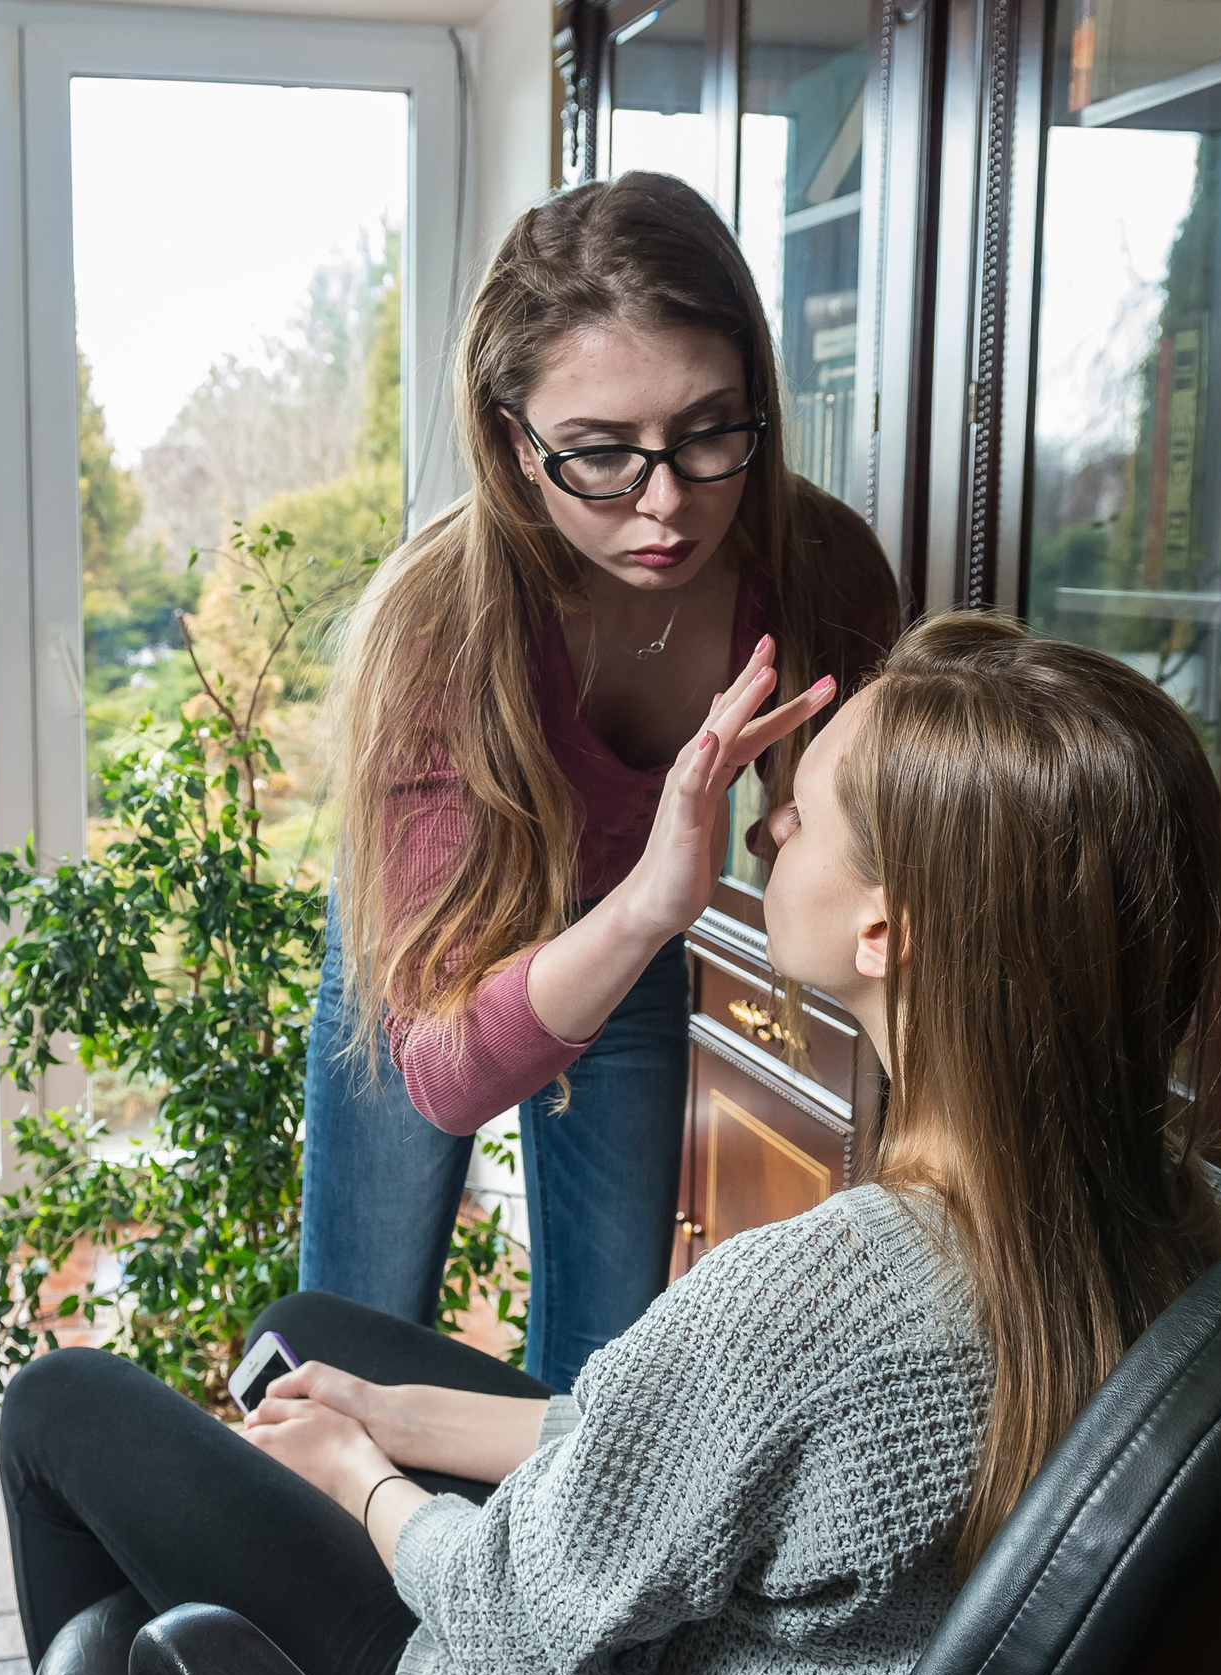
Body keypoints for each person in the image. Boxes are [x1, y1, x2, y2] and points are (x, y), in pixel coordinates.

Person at [0, 612, 1221, 1675]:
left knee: (57, 1405)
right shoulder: (1178, 1223)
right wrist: (389, 1411)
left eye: (809, 803)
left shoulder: (815, 1302)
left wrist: (361, 1471)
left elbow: (510, 1615)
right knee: (316, 1324)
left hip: (490, 1667)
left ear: (883, 926)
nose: (772, 819)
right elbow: (689, 1456)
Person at [303, 172, 897, 1389]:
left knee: (605, 1368)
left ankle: (541, 1584)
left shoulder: (821, 564)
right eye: (598, 456)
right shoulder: (438, 632)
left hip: (627, 941)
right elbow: (448, 1075)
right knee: (352, 1341)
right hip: (440, 946)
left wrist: (798, 821)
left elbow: (848, 817)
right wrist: (648, 904)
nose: (667, 502)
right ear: (512, 444)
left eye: (708, 430)